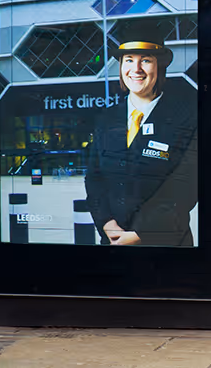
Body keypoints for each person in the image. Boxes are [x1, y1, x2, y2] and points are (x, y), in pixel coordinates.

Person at [85, 22, 198, 246]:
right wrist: (106, 223)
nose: (135, 69)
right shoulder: (106, 119)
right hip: (112, 240)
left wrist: (140, 233)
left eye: (145, 60)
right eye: (128, 60)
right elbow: (94, 179)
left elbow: (185, 185)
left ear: (161, 65)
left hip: (164, 243)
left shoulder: (187, 117)